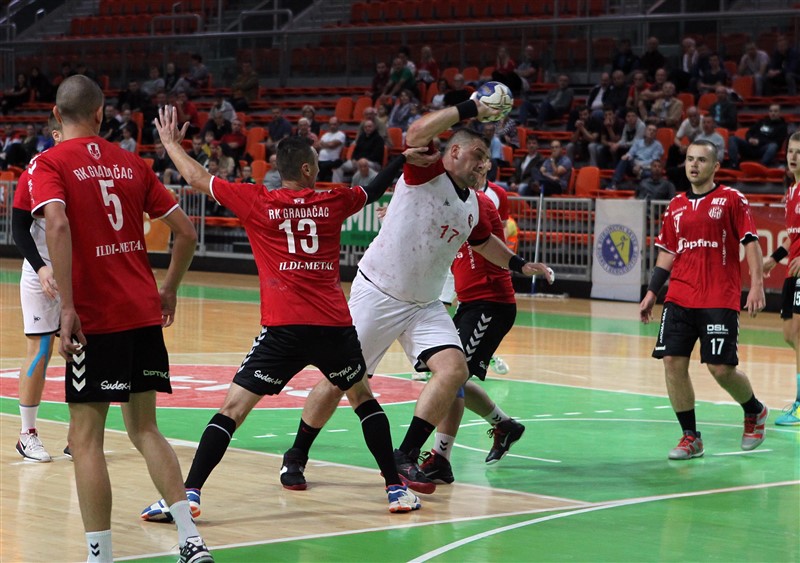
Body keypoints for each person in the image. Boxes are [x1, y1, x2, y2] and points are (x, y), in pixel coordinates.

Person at [141, 108, 435, 517]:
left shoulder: (256, 201)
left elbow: (197, 179)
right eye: (317, 163)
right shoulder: (333, 200)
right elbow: (373, 189)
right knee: (363, 399)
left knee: (232, 410)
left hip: (283, 330)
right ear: (307, 169)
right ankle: (395, 490)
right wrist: (402, 158)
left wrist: (171, 145)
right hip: (333, 328)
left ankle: (190, 494)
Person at [280, 97, 554, 494]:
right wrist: (471, 106)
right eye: (477, 156)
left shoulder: (474, 205)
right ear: (453, 153)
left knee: (455, 371)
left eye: (487, 160)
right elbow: (415, 132)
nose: (484, 165)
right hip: (379, 292)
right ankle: (297, 453)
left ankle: (405, 454)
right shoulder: (426, 172)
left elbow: (483, 243)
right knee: (342, 379)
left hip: (424, 304)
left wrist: (519, 264)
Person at [29, 75, 212, 563]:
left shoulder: (49, 162)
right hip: (141, 312)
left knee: (85, 439)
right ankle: (191, 540)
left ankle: (100, 556)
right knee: (145, 429)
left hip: (97, 320)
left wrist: (68, 308)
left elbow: (57, 223)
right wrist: (168, 289)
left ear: (56, 114)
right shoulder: (131, 163)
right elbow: (186, 233)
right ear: (100, 113)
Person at [639, 140, 768, 460]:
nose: (693, 165)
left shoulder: (732, 199)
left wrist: (757, 285)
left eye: (701, 160)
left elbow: (750, 242)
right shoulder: (676, 205)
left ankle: (754, 410)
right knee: (672, 361)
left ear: (715, 166)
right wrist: (652, 292)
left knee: (720, 369)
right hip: (680, 296)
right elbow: (668, 253)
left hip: (718, 296)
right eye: (689, 159)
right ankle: (690, 436)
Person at [416, 167, 533, 483]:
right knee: (451, 375)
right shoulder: (451, 204)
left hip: (490, 302)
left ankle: (440, 459)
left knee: (450, 378)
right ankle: (504, 425)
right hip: (471, 303)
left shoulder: (477, 204)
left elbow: (484, 244)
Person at [11, 115, 63, 463]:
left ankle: (81, 432)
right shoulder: (35, 171)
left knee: (83, 348)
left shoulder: (87, 170)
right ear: (56, 133)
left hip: (78, 271)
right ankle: (26, 434)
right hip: (41, 269)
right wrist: (42, 267)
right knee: (41, 349)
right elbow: (18, 228)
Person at [763, 132, 800, 425]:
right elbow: (792, 237)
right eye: (791, 151)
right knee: (789, 335)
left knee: (798, 334)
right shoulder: (791, 192)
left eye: (799, 152)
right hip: (791, 271)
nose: (793, 157)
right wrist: (773, 259)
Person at [727, 104, 787, 169]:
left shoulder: (782, 126)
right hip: (750, 146)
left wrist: (759, 142)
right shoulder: (762, 121)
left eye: (775, 111)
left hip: (763, 149)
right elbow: (749, 132)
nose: (773, 113)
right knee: (732, 138)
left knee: (773, 146)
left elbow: (778, 142)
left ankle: (760, 167)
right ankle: (734, 164)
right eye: (771, 111)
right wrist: (750, 139)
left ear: (780, 113)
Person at [609, 123, 664, 190]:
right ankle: (613, 184)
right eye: (649, 130)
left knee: (649, 173)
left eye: (654, 131)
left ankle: (638, 186)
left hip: (646, 168)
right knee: (624, 159)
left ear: (655, 134)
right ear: (645, 131)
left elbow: (654, 161)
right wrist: (627, 156)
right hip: (634, 165)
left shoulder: (658, 145)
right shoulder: (638, 142)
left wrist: (640, 166)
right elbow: (631, 153)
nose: (651, 132)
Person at [317, 116, 346, 182]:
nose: (332, 126)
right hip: (320, 160)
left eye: (334, 124)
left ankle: (321, 182)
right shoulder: (325, 135)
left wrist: (323, 144)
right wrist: (327, 144)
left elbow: (332, 145)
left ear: (338, 124)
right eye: (331, 124)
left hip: (332, 160)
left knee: (323, 167)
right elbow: (317, 146)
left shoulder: (341, 135)